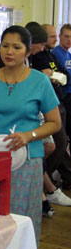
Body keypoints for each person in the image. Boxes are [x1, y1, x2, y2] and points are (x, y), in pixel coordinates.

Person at [0, 25, 61, 245]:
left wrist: (29, 135)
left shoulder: (39, 81)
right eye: (5, 46)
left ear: (28, 51)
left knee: (20, 218)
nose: (9, 52)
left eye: (16, 47)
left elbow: (54, 123)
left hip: (26, 160)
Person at [32, 24, 71, 197]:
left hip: (58, 100)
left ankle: (46, 182)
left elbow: (64, 74)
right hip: (45, 106)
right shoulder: (39, 56)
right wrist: (45, 75)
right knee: (56, 144)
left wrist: (54, 76)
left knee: (59, 143)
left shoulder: (49, 54)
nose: (54, 40)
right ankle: (45, 183)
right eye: (53, 36)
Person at [52, 24, 71, 155]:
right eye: (66, 36)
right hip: (64, 98)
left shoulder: (68, 54)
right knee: (64, 137)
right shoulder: (56, 53)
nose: (69, 40)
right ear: (60, 37)